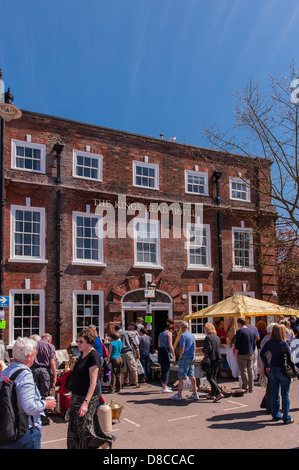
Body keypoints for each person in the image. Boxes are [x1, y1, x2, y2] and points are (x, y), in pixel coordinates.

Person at [0, 337, 57, 449]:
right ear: (28, 356)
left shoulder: (5, 372)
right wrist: (46, 404)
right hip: (25, 431)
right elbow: (29, 407)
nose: (35, 357)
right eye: (35, 354)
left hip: (6, 429)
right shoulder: (25, 375)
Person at [67, 328, 115, 449]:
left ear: (89, 342)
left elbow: (93, 383)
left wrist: (86, 403)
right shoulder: (82, 355)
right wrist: (74, 367)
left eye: (81, 342)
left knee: (85, 431)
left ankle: (105, 443)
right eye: (77, 341)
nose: (78, 344)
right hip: (76, 396)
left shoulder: (94, 356)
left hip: (88, 397)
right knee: (74, 430)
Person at [260, 323, 294, 424]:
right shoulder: (283, 343)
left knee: (275, 393)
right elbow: (289, 357)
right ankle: (286, 417)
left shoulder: (269, 342)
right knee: (285, 394)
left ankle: (275, 415)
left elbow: (262, 353)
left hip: (273, 368)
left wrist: (266, 365)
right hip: (283, 369)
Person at [31, 333, 57, 425]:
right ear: (49, 340)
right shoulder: (50, 346)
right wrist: (55, 374)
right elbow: (52, 362)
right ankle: (43, 416)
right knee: (44, 393)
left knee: (34, 393)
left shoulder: (34, 344)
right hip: (45, 371)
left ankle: (34, 415)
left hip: (34, 370)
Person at [170, 321, 198, 400]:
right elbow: (194, 348)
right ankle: (195, 393)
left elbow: (182, 347)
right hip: (192, 356)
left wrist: (180, 357)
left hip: (185, 357)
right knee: (192, 376)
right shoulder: (192, 335)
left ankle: (179, 394)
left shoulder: (183, 336)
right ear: (188, 327)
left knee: (181, 376)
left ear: (182, 328)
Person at [234, 318, 257, 393]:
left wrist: (236, 353)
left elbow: (237, 344)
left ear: (239, 323)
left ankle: (245, 387)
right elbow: (254, 343)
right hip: (250, 353)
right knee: (250, 370)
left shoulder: (239, 331)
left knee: (243, 371)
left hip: (242, 353)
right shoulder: (252, 331)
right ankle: (251, 387)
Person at [202, 323, 223, 402]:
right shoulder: (217, 337)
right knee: (214, 376)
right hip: (218, 358)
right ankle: (212, 394)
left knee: (209, 377)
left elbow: (209, 349)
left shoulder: (208, 337)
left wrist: (203, 350)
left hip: (211, 359)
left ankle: (218, 393)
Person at [259, 323, 276, 414]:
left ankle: (265, 403)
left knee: (271, 386)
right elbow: (262, 356)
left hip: (270, 366)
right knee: (271, 387)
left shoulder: (268, 340)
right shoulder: (266, 340)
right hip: (268, 366)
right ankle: (269, 406)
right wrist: (262, 368)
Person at [158, 322, 176, 393]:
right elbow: (170, 345)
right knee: (167, 369)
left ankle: (164, 385)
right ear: (171, 329)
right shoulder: (169, 334)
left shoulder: (160, 334)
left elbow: (159, 345)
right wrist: (174, 354)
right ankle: (165, 387)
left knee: (163, 369)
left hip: (161, 351)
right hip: (166, 351)